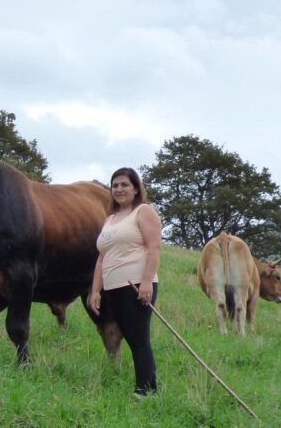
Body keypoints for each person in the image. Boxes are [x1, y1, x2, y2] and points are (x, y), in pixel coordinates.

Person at [88, 167, 162, 396]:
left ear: (136, 188)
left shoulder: (143, 211)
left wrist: (147, 282)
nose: (119, 189)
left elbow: (154, 247)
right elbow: (102, 257)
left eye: (124, 185)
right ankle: (150, 386)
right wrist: (95, 290)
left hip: (136, 285)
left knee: (138, 337)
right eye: (115, 185)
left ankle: (144, 391)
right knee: (129, 337)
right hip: (112, 287)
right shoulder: (110, 219)